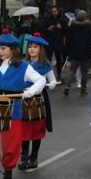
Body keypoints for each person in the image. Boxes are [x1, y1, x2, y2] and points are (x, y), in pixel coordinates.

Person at [0, 33, 46, 179]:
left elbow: (41, 80)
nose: (0, 52)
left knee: (11, 145)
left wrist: (30, 91)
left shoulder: (23, 67)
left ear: (13, 50)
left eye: (3, 48)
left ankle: (8, 175)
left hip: (14, 112)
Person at [19, 35, 56, 171]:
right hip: (23, 98)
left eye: (35, 47)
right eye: (30, 47)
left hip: (39, 99)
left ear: (41, 49)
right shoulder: (23, 63)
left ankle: (33, 156)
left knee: (36, 129)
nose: (32, 49)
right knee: (23, 129)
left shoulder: (44, 65)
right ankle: (23, 156)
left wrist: (51, 84)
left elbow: (52, 80)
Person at [63, 10, 91, 96]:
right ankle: (83, 89)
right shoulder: (89, 28)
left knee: (72, 70)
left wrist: (67, 52)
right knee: (84, 72)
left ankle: (67, 86)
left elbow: (67, 41)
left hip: (74, 53)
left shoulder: (71, 28)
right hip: (86, 53)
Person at [43, 5, 69, 71]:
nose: (54, 13)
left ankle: (59, 73)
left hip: (58, 41)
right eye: (52, 12)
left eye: (55, 11)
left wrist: (61, 28)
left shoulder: (62, 19)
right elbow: (43, 29)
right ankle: (48, 71)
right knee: (48, 57)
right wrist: (48, 29)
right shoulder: (48, 19)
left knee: (58, 57)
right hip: (50, 40)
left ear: (58, 12)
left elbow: (66, 30)